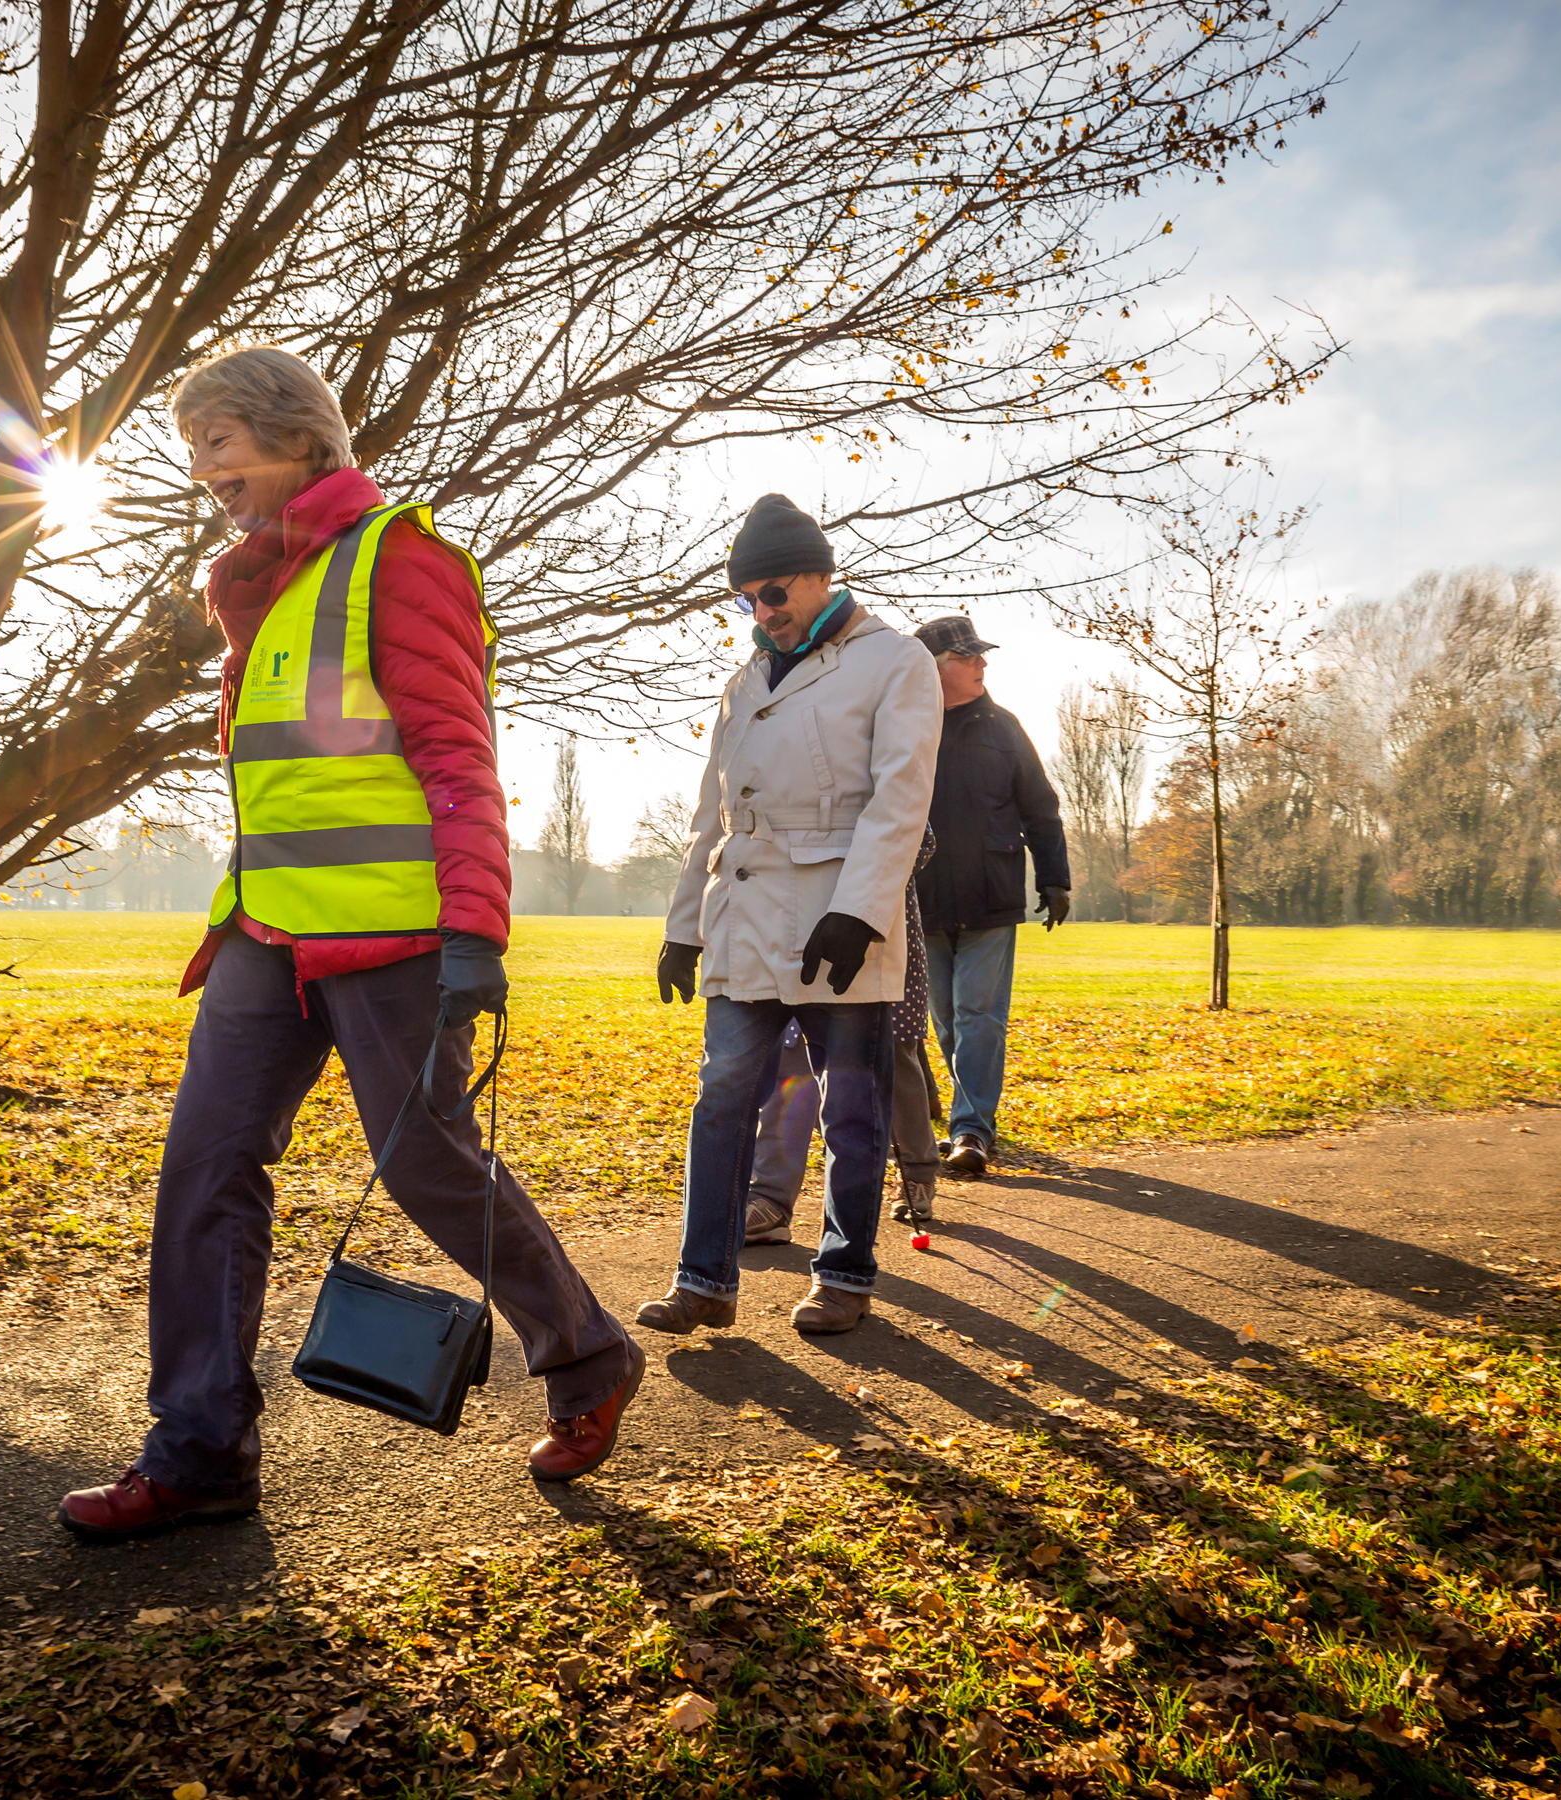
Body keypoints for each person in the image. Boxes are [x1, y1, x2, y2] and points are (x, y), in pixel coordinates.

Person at [58, 347, 642, 1542]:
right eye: (193, 444)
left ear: (296, 436)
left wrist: (477, 932)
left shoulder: (399, 558)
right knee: (205, 1172)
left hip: (395, 940)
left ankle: (587, 1359)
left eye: (218, 437)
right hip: (266, 937)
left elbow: (455, 757)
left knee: (427, 1166)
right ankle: (201, 1450)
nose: (202, 466)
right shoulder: (262, 590)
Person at [639, 495, 940, 1337]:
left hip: (836, 924)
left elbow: (900, 799)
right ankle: (704, 1280)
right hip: (744, 917)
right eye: (747, 599)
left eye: (775, 592)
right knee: (723, 1094)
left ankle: (844, 1273)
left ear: (820, 574)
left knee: (851, 1105)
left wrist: (860, 912)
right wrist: (682, 927)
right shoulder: (741, 684)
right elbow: (712, 818)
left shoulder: (894, 661)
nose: (763, 612)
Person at [911, 615, 1073, 1179]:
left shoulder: (1003, 727)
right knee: (949, 1021)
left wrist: (1055, 877)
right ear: (935, 669)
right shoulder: (905, 727)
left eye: (980, 656)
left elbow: (1040, 805)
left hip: (991, 897)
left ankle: (972, 1131)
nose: (982, 664)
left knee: (980, 1016)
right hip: (923, 901)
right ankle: (963, 1114)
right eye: (968, 657)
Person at [741, 826, 944, 1239]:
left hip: (880, 931)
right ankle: (771, 1197)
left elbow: (920, 840)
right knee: (793, 1060)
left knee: (897, 1057)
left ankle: (918, 1172)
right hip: (804, 930)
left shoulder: (879, 766)